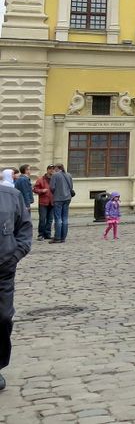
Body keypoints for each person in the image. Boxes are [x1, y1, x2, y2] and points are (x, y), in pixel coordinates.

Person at [1, 163, 33, 392]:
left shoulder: (11, 195)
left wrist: (16, 253)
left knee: (3, 318)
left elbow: (24, 227)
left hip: (3, 267)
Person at [48, 164, 75, 244]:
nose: (54, 170)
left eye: (54, 168)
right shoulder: (69, 175)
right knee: (65, 218)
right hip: (67, 198)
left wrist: (55, 193)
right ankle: (63, 237)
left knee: (58, 219)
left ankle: (57, 237)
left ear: (57, 168)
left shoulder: (55, 175)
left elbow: (52, 187)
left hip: (58, 198)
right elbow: (71, 186)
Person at [32, 166, 54, 242]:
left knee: (50, 219)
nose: (52, 170)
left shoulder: (54, 179)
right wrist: (42, 191)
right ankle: (41, 234)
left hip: (52, 202)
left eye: (53, 169)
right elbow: (35, 189)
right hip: (43, 202)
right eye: (50, 169)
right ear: (47, 170)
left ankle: (48, 234)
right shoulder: (41, 179)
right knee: (42, 219)